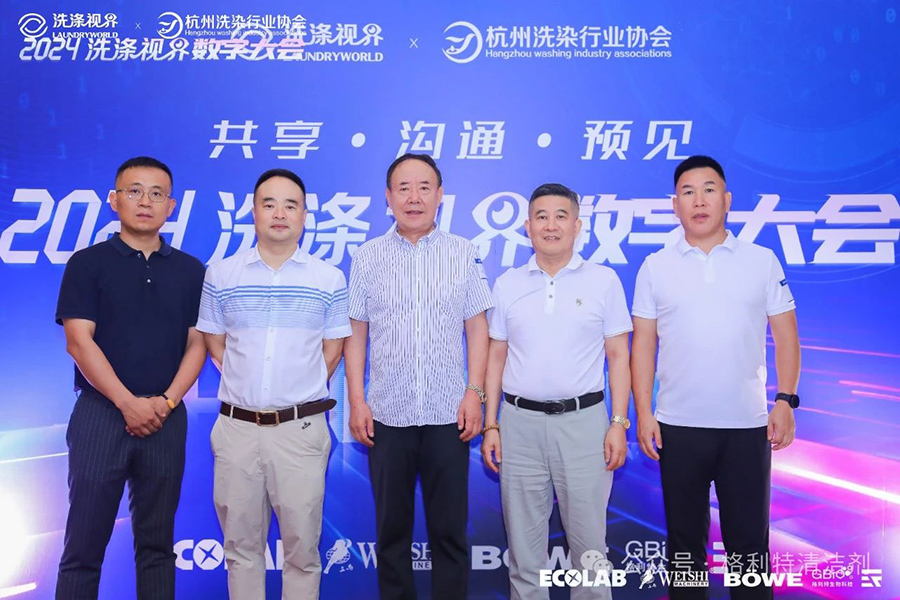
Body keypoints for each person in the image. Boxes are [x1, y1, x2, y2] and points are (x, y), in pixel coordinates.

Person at [631, 155, 800, 599]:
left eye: (709, 190)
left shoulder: (761, 261)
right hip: (677, 426)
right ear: (675, 205)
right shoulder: (655, 266)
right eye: (688, 192)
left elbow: (786, 336)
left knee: (749, 549)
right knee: (685, 547)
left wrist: (785, 399)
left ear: (727, 200)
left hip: (746, 427)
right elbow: (642, 346)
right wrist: (644, 413)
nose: (699, 201)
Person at [55, 156, 207, 600]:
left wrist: (167, 401)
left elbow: (198, 343)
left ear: (171, 206)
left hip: (165, 418)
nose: (145, 201)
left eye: (157, 194)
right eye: (134, 191)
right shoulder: (87, 264)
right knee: (83, 548)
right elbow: (79, 342)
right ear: (114, 199)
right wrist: (127, 403)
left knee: (157, 547)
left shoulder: (191, 270)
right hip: (101, 416)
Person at [344, 153, 494, 599]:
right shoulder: (367, 257)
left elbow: (477, 328)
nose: (414, 198)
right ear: (388, 197)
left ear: (440, 195)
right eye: (404, 188)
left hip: (450, 414)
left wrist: (474, 393)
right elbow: (355, 332)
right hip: (387, 416)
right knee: (391, 533)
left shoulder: (463, 252)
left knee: (450, 532)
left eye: (424, 187)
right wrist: (357, 401)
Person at [197, 168, 351, 599]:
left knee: (303, 550)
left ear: (304, 215)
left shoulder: (328, 278)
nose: (279, 213)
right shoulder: (222, 274)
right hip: (237, 429)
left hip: (300, 430)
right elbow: (215, 344)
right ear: (254, 212)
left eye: (290, 205)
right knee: (241, 548)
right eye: (269, 204)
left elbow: (333, 350)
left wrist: (293, 392)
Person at [481, 183, 632, 600]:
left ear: (577, 226)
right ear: (527, 227)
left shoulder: (603, 281)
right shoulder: (508, 284)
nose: (551, 225)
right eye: (542, 217)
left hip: (585, 425)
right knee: (524, 553)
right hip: (519, 426)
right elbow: (496, 357)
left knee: (590, 552)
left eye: (561, 216)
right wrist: (491, 424)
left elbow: (619, 356)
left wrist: (619, 423)